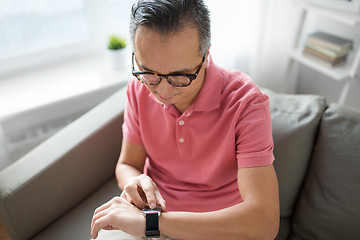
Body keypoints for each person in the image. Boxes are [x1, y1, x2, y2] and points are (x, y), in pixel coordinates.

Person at [91, 0, 279, 239]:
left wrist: (153, 223)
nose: (163, 91)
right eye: (148, 73)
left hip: (218, 228)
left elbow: (264, 222)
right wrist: (136, 182)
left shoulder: (246, 103)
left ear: (206, 56)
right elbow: (127, 164)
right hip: (151, 216)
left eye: (179, 76)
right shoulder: (138, 90)